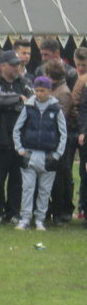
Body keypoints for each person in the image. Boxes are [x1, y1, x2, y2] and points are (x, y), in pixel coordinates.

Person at [0, 50, 33, 225]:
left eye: (18, 64)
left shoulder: (25, 83)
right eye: (13, 64)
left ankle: (13, 212)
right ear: (2, 66)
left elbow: (32, 101)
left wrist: (16, 102)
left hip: (21, 140)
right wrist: (18, 99)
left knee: (17, 179)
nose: (16, 67)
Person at [13, 77, 67, 230]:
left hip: (48, 155)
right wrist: (19, 148)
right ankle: (24, 218)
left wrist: (57, 154)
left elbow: (63, 133)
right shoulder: (28, 107)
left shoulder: (56, 109)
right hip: (30, 153)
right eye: (37, 90)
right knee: (28, 188)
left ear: (49, 91)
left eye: (42, 90)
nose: (39, 93)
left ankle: (40, 219)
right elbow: (17, 128)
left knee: (45, 190)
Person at [43, 59, 76, 225]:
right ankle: (51, 210)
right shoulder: (56, 89)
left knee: (59, 179)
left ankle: (58, 211)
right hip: (52, 140)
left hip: (58, 141)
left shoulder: (62, 92)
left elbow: (60, 118)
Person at [71, 47, 87, 219]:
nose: (81, 68)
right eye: (78, 64)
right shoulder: (80, 79)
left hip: (82, 129)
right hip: (80, 131)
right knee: (83, 171)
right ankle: (82, 206)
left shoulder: (82, 79)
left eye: (83, 64)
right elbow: (77, 105)